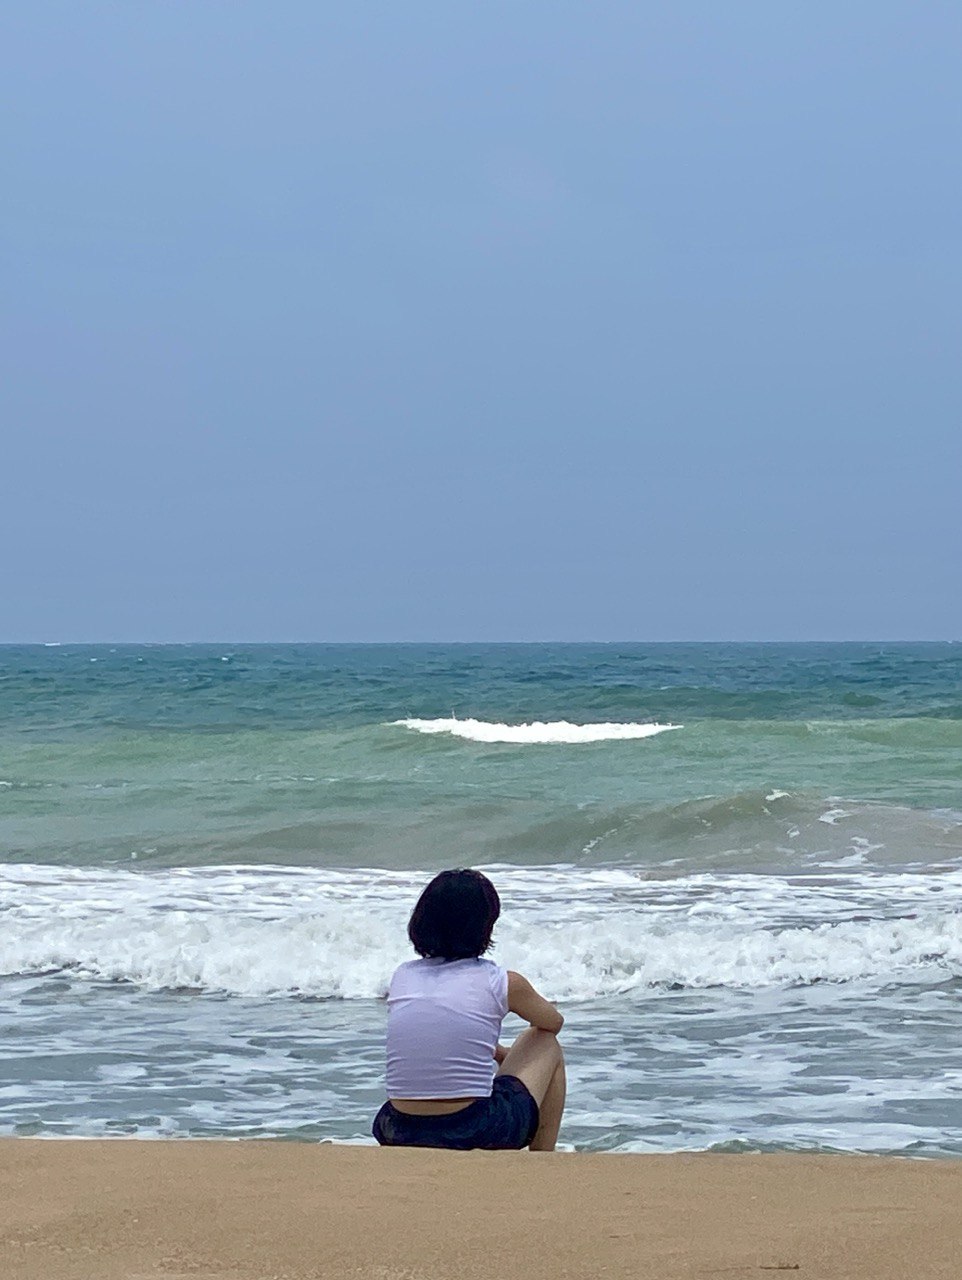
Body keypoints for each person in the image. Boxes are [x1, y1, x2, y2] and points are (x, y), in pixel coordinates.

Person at [372, 868, 566, 1151]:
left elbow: (441, 1031)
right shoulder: (502, 981)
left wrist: (497, 1052)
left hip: (396, 1127)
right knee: (543, 1040)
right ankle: (543, 1160)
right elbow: (553, 1022)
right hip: (472, 1128)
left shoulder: (403, 975)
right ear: (484, 927)